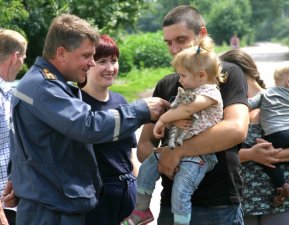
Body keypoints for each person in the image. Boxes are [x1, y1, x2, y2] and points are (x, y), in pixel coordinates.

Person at [7, 14, 168, 225]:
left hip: (49, 204)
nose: (91, 63)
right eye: (86, 56)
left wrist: (19, 178)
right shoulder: (44, 87)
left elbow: (28, 145)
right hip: (52, 211)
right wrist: (141, 110)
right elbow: (87, 125)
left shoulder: (41, 83)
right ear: (61, 53)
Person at [137, 5, 249, 225]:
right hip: (170, 206)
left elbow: (236, 130)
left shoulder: (227, 74)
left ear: (202, 34)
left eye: (181, 39)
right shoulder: (167, 84)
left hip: (218, 204)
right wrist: (164, 159)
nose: (174, 48)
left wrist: (176, 152)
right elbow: (144, 147)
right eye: (168, 42)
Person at [122, 36, 224, 225]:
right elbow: (177, 111)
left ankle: (180, 222)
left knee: (181, 191)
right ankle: (142, 210)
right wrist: (169, 121)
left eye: (183, 76)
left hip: (200, 156)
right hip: (176, 146)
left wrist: (162, 119)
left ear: (202, 75)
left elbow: (186, 110)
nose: (179, 79)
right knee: (146, 169)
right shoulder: (187, 92)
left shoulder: (210, 92)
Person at [220, 49, 289, 225]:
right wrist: (251, 155)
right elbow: (213, 155)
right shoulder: (224, 111)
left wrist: (273, 155)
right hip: (240, 202)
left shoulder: (283, 99)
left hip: (285, 203)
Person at [79, 34, 138, 225]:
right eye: (102, 61)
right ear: (88, 64)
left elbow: (129, 156)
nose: (110, 68)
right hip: (95, 200)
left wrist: (138, 196)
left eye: (114, 60)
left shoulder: (121, 101)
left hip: (127, 193)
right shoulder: (75, 105)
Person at [246, 61, 289, 207]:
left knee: (266, 158)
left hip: (275, 135)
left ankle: (283, 185)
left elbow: (249, 105)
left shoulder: (264, 93)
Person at [0, 28, 27, 225]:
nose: (23, 63)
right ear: (15, 56)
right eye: (24, 57)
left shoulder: (11, 94)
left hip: (13, 204)